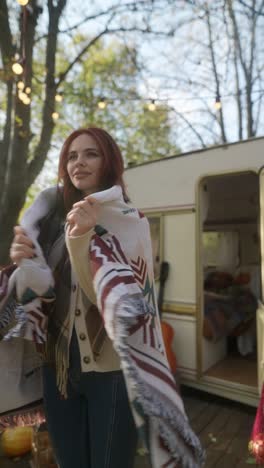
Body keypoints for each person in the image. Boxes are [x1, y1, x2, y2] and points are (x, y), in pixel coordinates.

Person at [4, 127, 204, 468]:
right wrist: (23, 266)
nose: (78, 162)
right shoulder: (49, 223)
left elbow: (117, 304)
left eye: (90, 154)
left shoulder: (130, 222)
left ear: (108, 161)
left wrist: (83, 239)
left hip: (110, 373)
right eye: (71, 155)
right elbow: (40, 296)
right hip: (58, 370)